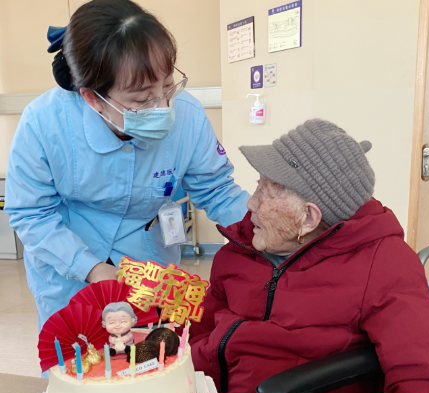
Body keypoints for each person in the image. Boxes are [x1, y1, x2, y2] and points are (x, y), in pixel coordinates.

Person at [190, 119, 429, 393]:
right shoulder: (239, 248)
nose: (250, 203)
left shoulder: (383, 264)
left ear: (308, 218)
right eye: (257, 185)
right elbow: (201, 335)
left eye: (265, 193)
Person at [5, 0, 249, 332]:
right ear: (92, 98)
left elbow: (218, 191)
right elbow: (31, 214)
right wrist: (89, 267)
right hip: (67, 268)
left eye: (167, 86)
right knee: (80, 365)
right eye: (141, 99)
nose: (162, 106)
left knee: (153, 362)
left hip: (149, 267)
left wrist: (265, 228)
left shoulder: (188, 116)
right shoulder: (44, 123)